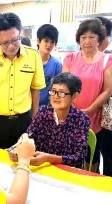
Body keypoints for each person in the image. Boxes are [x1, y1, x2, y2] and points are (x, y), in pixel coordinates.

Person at [0, 12, 46, 149]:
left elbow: (35, 90)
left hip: (24, 120)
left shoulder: (33, 56)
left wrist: (35, 120)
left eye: (15, 40)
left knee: (23, 159)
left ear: (20, 34)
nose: (11, 46)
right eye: (5, 43)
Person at [9, 73, 90, 168]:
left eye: (61, 93)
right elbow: (28, 138)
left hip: (67, 172)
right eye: (53, 91)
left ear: (74, 96)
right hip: (41, 169)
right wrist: (17, 149)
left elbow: (79, 157)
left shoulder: (81, 119)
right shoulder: (43, 113)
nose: (56, 96)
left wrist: (48, 158)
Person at [63, 19, 112, 172]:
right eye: (83, 37)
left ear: (99, 39)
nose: (87, 41)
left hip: (95, 117)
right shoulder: (71, 58)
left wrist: (90, 108)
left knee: (92, 155)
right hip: (70, 115)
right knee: (70, 155)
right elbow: (63, 85)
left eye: (92, 37)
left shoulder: (106, 60)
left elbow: (107, 90)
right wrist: (71, 106)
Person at [95, 16, 112, 177]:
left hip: (108, 119)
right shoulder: (94, 56)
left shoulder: (108, 57)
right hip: (103, 122)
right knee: (105, 160)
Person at [37, 24, 62, 106]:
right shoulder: (29, 61)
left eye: (52, 42)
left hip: (47, 108)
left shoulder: (57, 64)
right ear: (38, 41)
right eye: (46, 41)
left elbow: (57, 88)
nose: (49, 45)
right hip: (28, 107)